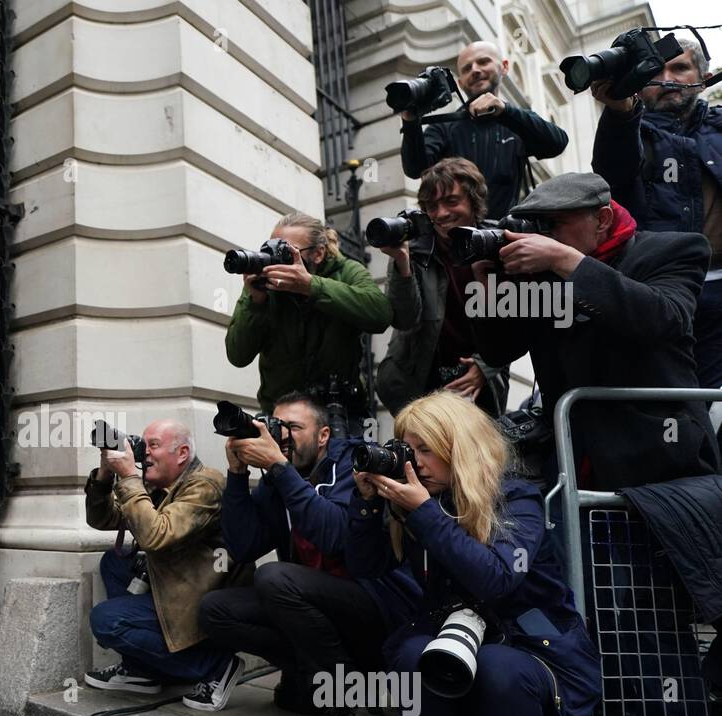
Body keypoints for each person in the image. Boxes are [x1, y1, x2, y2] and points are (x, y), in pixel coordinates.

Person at [348, 391, 600, 716]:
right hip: (454, 656)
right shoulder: (420, 502)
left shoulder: (517, 498)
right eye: (407, 448)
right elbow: (365, 566)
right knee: (410, 655)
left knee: (496, 667)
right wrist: (365, 505)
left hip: (534, 660)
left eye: (426, 449)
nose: (414, 462)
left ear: (460, 446)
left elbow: (497, 580)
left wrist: (423, 513)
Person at [197, 393, 420, 716]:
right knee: (216, 610)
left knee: (274, 578)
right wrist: (238, 475)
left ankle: (363, 708)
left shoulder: (353, 462)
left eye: (294, 428)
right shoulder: (275, 479)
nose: (283, 436)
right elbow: (244, 545)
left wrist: (280, 470)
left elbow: (337, 537)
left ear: (323, 435)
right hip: (315, 605)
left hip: (374, 604)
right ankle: (314, 676)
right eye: (278, 426)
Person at [469, 172, 720, 491]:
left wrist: (567, 262)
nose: (544, 235)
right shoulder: (542, 276)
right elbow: (499, 351)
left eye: (554, 223)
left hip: (660, 460)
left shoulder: (673, 249)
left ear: (602, 219)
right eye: (536, 224)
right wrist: (490, 290)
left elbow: (664, 318)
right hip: (572, 462)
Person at [591, 35, 722, 433]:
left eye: (679, 68)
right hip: (656, 297)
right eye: (656, 71)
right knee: (673, 418)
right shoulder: (628, 127)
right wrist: (618, 108)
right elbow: (611, 174)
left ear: (704, 77)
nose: (666, 79)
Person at [84, 420, 247, 710]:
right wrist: (106, 473)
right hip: (175, 583)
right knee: (113, 562)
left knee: (105, 620)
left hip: (204, 597)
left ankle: (213, 665)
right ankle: (141, 669)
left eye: (153, 446)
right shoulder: (161, 485)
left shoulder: (206, 485)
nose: (144, 453)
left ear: (182, 453)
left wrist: (130, 478)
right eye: (142, 445)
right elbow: (101, 519)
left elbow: (155, 536)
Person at [225, 212, 392, 431]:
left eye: (288, 251)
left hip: (339, 413)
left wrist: (311, 286)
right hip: (283, 414)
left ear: (318, 254)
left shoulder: (346, 272)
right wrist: (256, 301)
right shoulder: (263, 285)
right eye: (273, 248)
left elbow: (380, 315)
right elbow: (237, 355)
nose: (277, 258)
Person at [377, 157, 510, 418]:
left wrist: (486, 366)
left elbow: (517, 320)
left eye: (451, 201)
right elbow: (404, 320)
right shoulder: (415, 248)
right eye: (431, 206)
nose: (440, 214)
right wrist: (401, 261)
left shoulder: (499, 244)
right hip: (420, 385)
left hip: (478, 383)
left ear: (474, 201)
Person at [399, 41, 569, 219]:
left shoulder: (517, 121)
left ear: (504, 67)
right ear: (460, 82)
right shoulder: (444, 128)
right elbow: (415, 168)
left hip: (503, 236)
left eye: (483, 62)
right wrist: (410, 121)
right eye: (466, 69)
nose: (475, 70)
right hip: (455, 235)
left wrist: (505, 111)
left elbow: (557, 143)